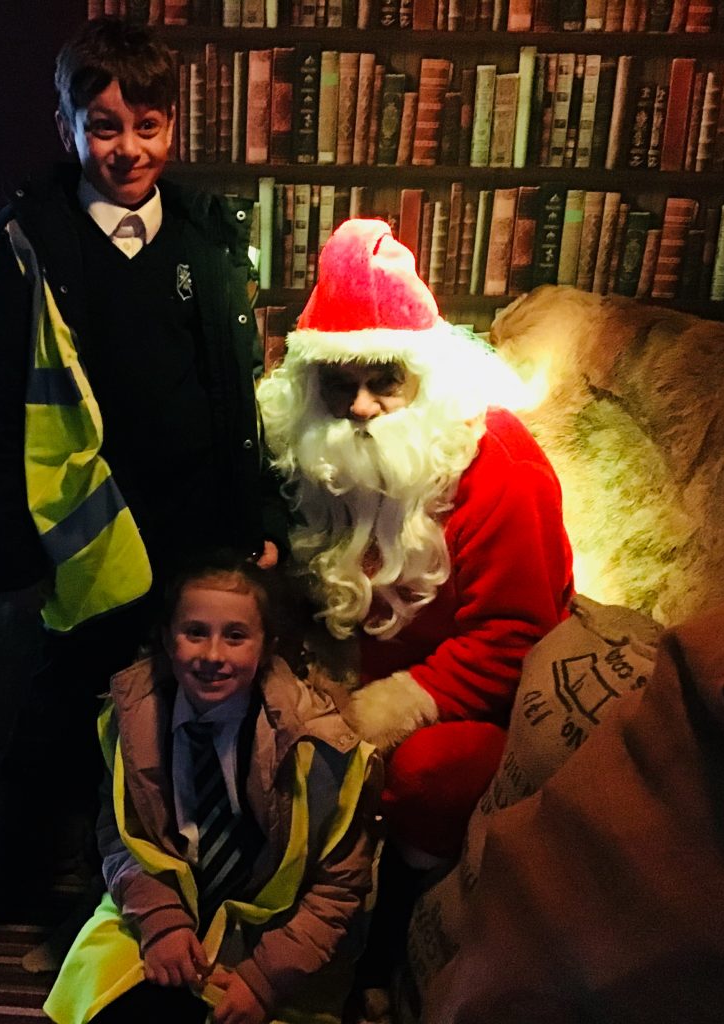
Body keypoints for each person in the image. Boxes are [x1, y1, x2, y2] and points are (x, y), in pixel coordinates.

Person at [0, 17, 286, 969]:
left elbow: (235, 393)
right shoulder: (25, 240)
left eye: (147, 126)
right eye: (104, 126)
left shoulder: (204, 236)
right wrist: (5, 548)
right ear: (67, 127)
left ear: (172, 126)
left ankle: (170, 887)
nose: (128, 149)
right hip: (87, 532)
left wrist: (256, 518)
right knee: (60, 711)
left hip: (195, 525)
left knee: (194, 708)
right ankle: (4, 872)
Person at [255, 219, 574, 1004]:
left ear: (424, 376)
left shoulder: (500, 467)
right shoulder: (307, 451)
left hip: (465, 701)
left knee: (429, 774)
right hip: (344, 675)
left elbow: (514, 638)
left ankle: (392, 939)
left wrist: (375, 713)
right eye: (339, 385)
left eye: (383, 381)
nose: (361, 407)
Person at [44, 554, 381, 1024]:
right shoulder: (132, 721)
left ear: (267, 647)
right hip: (160, 903)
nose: (213, 655)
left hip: (276, 942)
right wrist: (160, 922)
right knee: (113, 1009)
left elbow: (340, 886)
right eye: (195, 632)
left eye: (236, 636)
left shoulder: (321, 748)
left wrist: (264, 981)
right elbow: (120, 835)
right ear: (168, 639)